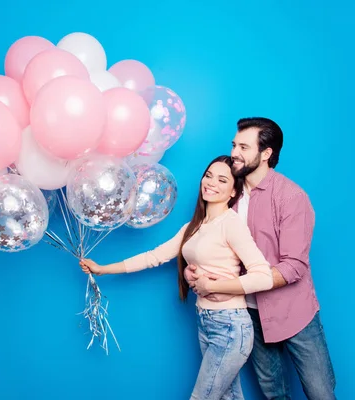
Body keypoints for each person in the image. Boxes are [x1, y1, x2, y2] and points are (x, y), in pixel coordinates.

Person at [80, 155, 273, 400]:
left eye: (222, 180)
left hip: (230, 326)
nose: (211, 183)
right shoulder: (193, 226)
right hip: (207, 322)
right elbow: (154, 256)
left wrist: (212, 285)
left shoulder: (231, 224)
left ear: (234, 191)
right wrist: (103, 268)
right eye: (209, 175)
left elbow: (263, 277)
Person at [186, 117, 336, 400]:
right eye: (234, 145)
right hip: (249, 314)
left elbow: (294, 267)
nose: (234, 153)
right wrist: (192, 273)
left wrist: (222, 285)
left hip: (295, 312)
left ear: (266, 153)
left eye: (244, 147)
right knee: (273, 395)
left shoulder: (291, 197)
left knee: (321, 394)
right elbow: (208, 241)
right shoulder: (228, 192)